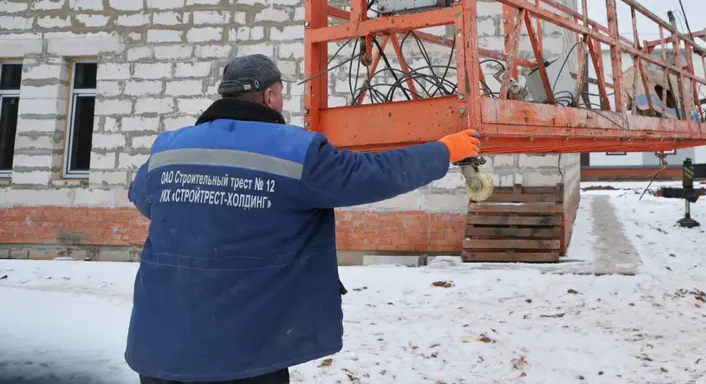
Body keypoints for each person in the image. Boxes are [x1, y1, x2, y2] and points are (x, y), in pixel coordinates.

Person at [124, 54, 482, 384]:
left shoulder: (169, 147)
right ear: (270, 97)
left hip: (160, 347)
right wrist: (445, 151)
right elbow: (373, 174)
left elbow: (144, 200)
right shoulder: (296, 151)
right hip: (243, 354)